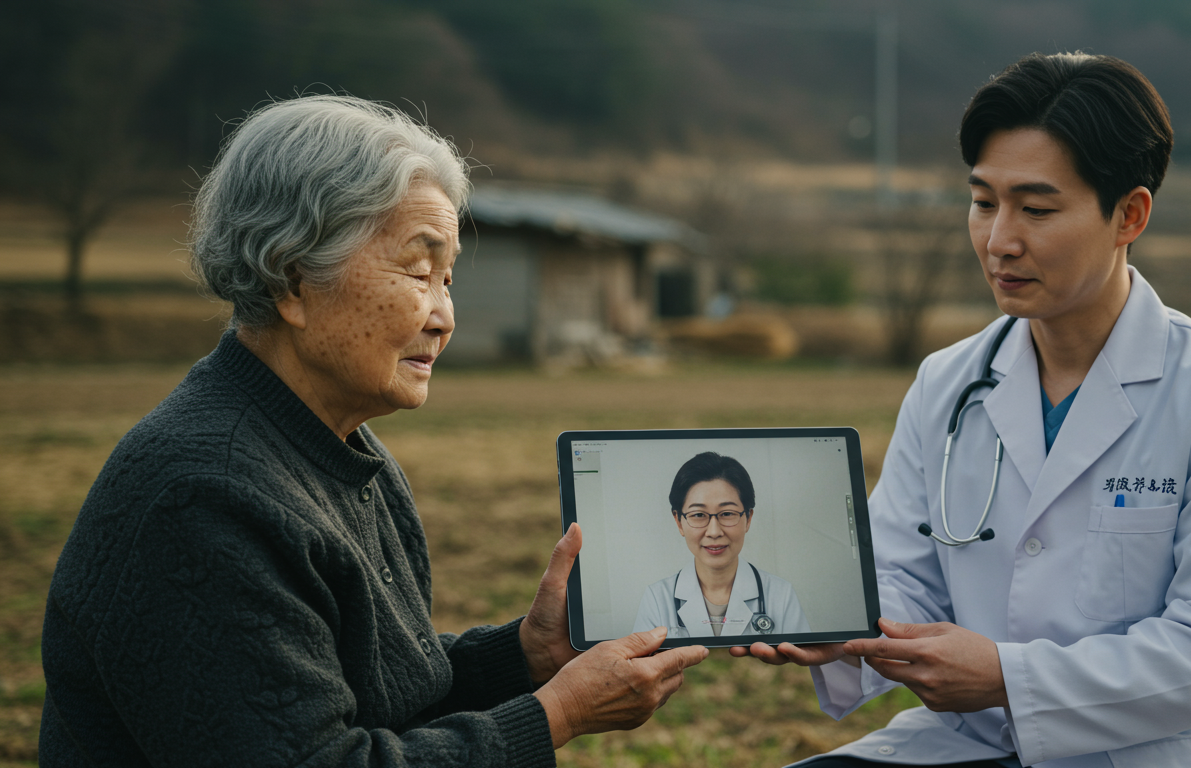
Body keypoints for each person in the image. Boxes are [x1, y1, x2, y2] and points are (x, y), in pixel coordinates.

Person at [38, 94, 709, 767]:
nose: (444, 316)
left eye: (447, 279)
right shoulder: (202, 497)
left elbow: (381, 702)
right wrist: (555, 713)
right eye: (418, 273)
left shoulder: (349, 455)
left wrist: (525, 656)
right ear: (293, 278)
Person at [734, 53, 1191, 768]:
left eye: (1036, 209)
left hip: (1151, 752)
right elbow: (906, 577)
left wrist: (1009, 677)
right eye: (982, 202)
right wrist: (842, 625)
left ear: (1129, 214)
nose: (1000, 240)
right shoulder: (949, 382)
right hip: (967, 745)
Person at [635, 452, 810, 638]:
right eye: (698, 515)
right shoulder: (657, 598)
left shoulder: (781, 594)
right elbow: (638, 666)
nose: (714, 531)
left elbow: (799, 664)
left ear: (748, 519)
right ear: (679, 522)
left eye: (727, 513)